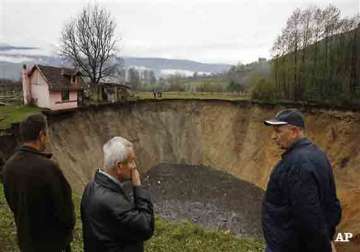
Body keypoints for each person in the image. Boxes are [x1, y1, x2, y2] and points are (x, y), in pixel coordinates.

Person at [262, 108, 341, 252]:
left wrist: (323, 247)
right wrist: (328, 239)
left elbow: (308, 215)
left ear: (294, 131)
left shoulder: (297, 165)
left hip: (289, 246)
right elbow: (332, 205)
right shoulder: (318, 155)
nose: (273, 137)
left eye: (278, 131)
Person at [2, 114, 75, 252]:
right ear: (41, 135)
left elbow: (13, 204)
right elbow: (66, 213)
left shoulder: (8, 167)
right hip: (53, 244)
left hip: (27, 243)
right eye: (46, 135)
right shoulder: (48, 168)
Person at [81, 136, 154, 252]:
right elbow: (146, 227)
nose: (134, 166)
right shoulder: (114, 203)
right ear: (119, 166)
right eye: (131, 161)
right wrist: (138, 187)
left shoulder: (90, 187)